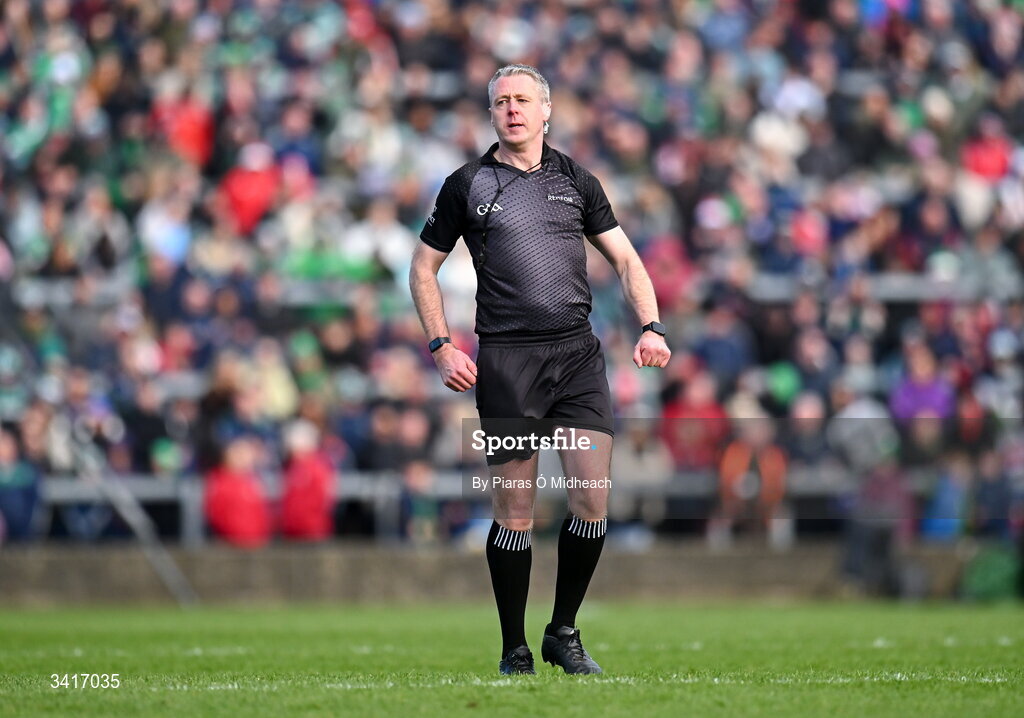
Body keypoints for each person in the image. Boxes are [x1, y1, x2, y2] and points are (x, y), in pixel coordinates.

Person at [410, 64, 670, 675]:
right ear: (491, 113)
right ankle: (513, 649)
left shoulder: (576, 179)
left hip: (577, 355)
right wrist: (442, 345)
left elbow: (628, 261)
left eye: (523, 99)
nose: (513, 109)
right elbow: (423, 269)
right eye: (501, 102)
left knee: (590, 501)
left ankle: (563, 631)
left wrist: (652, 325)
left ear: (547, 110)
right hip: (506, 362)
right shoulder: (466, 184)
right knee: (516, 514)